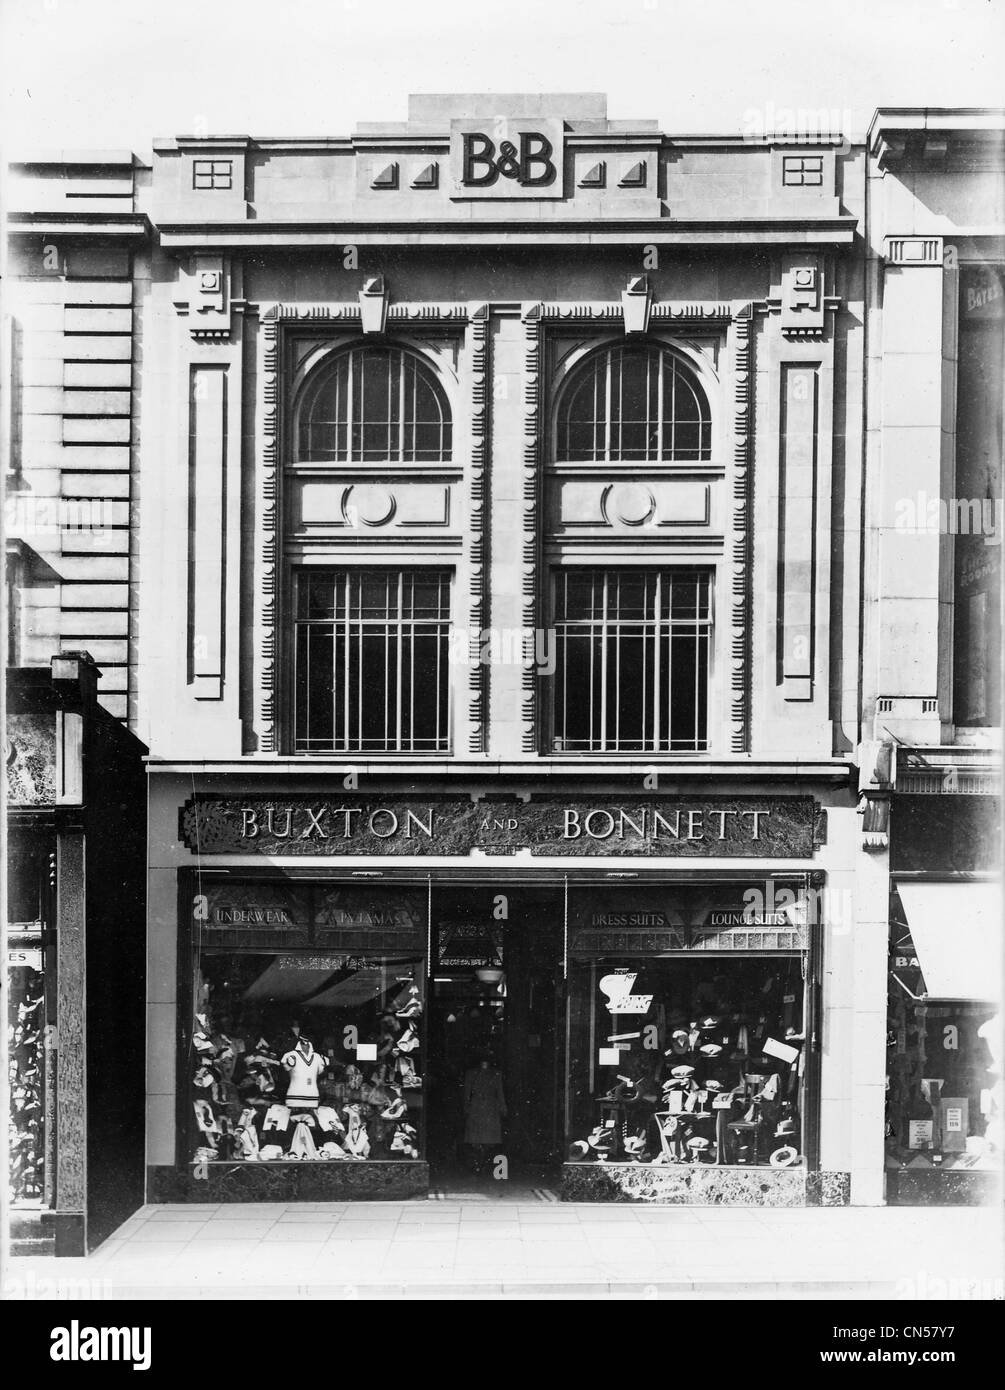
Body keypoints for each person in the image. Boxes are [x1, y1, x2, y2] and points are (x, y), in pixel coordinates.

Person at [462, 1055, 507, 1174]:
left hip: (489, 1109)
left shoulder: (496, 1074)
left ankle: (483, 1163)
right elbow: (467, 1092)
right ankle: (478, 1163)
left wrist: (503, 1107)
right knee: (476, 1139)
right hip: (476, 1108)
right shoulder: (471, 1073)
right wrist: (466, 1107)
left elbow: (500, 1092)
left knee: (488, 1140)